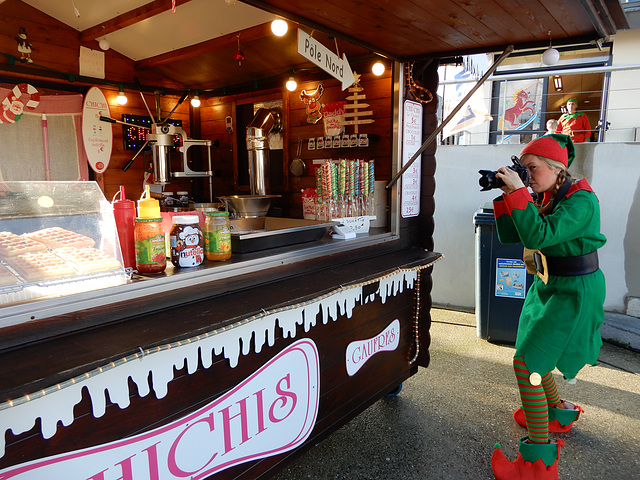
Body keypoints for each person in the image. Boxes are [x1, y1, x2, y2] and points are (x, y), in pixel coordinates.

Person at [490, 134, 606, 480]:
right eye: (523, 170)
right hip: (550, 285)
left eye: (532, 169)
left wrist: (517, 193)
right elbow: (514, 236)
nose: (528, 176)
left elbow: (539, 236)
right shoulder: (549, 196)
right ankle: (555, 413)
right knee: (535, 353)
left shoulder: (580, 200)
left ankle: (537, 465)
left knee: (528, 364)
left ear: (558, 169)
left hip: (573, 291)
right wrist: (506, 195)